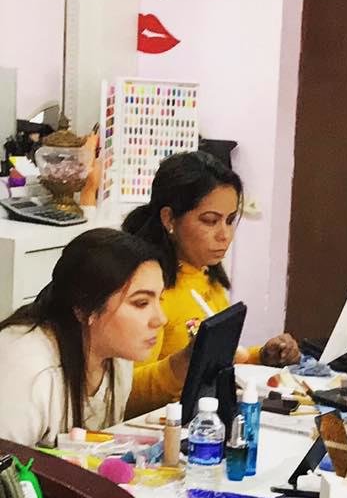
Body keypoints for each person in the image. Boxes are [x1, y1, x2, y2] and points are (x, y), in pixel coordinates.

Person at [121, 150, 299, 407]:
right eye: (210, 221)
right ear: (169, 218)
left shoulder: (207, 278)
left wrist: (261, 355)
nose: (224, 235)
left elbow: (218, 361)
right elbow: (123, 396)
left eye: (229, 221)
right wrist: (181, 364)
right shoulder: (147, 291)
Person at [0, 229, 167, 444]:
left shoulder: (118, 358)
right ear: (84, 309)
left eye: (160, 299)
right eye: (141, 303)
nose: (161, 319)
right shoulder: (28, 367)